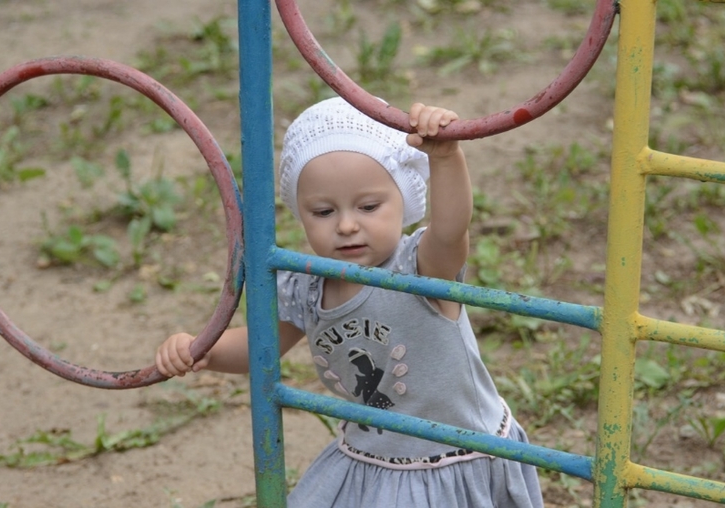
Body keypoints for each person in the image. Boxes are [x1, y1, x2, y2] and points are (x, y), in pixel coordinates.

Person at [155, 97, 544, 508]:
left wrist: (445, 158)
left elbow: (451, 230)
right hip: (372, 454)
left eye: (369, 207)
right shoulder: (307, 286)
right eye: (323, 211)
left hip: (454, 455)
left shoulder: (421, 269)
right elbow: (261, 346)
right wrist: (202, 349)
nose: (345, 225)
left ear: (403, 200)